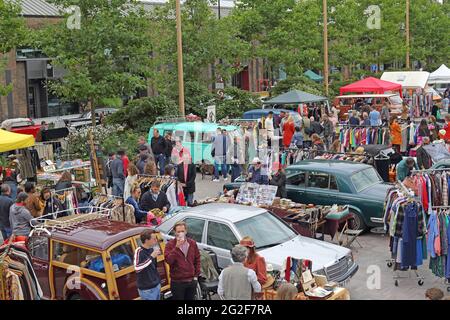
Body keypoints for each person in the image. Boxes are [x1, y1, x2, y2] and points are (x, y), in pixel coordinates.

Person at [164, 221, 201, 300]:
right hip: (178, 282)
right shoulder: (170, 245)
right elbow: (168, 261)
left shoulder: (192, 243)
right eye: (178, 231)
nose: (180, 233)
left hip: (191, 281)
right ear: (175, 232)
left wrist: (195, 276)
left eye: (182, 231)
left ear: (186, 231)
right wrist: (176, 248)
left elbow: (197, 259)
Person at [134, 230, 161, 300]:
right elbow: (137, 268)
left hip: (156, 285)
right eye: (154, 239)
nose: (156, 240)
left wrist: (158, 281)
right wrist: (151, 257)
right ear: (146, 240)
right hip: (147, 290)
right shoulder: (139, 251)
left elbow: (153, 267)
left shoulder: (152, 249)